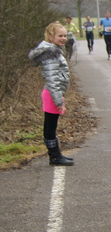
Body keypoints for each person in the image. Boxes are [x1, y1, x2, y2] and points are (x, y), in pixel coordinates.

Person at [28, 22, 74, 166]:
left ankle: (55, 154)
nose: (64, 39)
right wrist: (59, 101)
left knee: (51, 125)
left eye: (65, 35)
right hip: (52, 94)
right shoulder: (51, 53)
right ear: (50, 36)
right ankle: (54, 156)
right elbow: (52, 79)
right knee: (50, 126)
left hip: (53, 93)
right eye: (60, 36)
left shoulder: (55, 50)